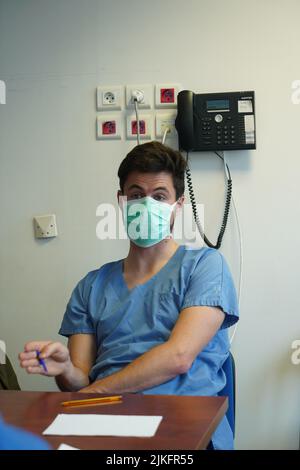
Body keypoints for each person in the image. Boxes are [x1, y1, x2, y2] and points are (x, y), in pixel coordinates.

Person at [19, 141, 239, 450]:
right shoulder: (91, 286)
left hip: (184, 423)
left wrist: (93, 393)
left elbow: (178, 357)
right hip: (105, 421)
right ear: (121, 202)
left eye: (159, 196)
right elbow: (80, 381)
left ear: (178, 206)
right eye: (136, 195)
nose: (147, 204)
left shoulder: (204, 266)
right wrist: (66, 369)